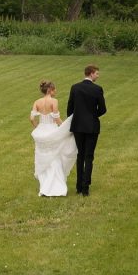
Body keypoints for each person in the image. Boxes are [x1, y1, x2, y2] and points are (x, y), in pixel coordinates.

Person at [30, 80, 77, 197]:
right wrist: (65, 128)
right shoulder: (54, 101)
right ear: (50, 90)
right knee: (55, 156)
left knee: (43, 156)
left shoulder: (37, 102)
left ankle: (45, 185)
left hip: (41, 130)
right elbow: (56, 118)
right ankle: (56, 185)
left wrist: (38, 127)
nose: (56, 91)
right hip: (51, 129)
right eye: (54, 89)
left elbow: (31, 118)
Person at [67, 65, 106, 196]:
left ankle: (78, 186)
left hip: (78, 126)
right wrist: (92, 116)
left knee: (80, 155)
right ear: (91, 73)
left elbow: (70, 108)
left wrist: (76, 118)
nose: (98, 76)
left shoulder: (75, 87)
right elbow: (102, 109)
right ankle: (85, 188)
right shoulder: (97, 89)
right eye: (97, 73)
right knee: (89, 156)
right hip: (92, 126)